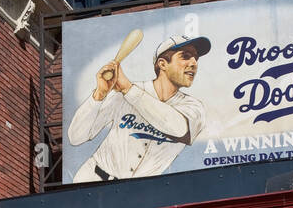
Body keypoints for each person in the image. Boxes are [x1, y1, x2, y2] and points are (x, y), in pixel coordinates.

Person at [67, 34, 211, 183]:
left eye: (196, 58)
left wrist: (128, 90)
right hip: (93, 179)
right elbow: (76, 137)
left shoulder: (194, 107)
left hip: (137, 196)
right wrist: (99, 95)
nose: (194, 63)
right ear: (162, 64)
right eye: (185, 56)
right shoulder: (124, 93)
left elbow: (179, 129)